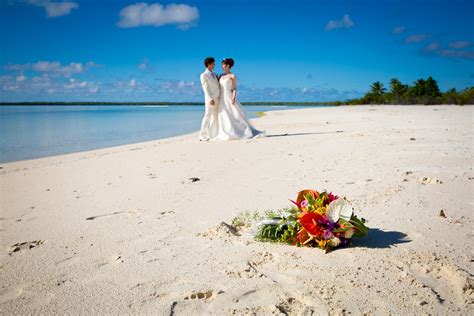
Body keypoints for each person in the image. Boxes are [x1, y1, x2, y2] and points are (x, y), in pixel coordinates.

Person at [211, 58, 266, 141]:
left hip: (229, 97)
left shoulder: (233, 76)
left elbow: (234, 89)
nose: (223, 66)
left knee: (235, 115)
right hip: (221, 98)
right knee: (223, 115)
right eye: (222, 65)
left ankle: (240, 132)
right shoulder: (220, 76)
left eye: (224, 65)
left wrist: (233, 98)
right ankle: (225, 132)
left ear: (228, 65)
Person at [199, 57, 220, 141]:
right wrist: (210, 99)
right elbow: (205, 88)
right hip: (210, 99)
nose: (214, 64)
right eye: (213, 63)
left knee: (215, 116)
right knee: (207, 116)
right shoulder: (203, 75)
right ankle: (202, 135)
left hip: (217, 98)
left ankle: (212, 134)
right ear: (208, 64)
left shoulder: (214, 74)